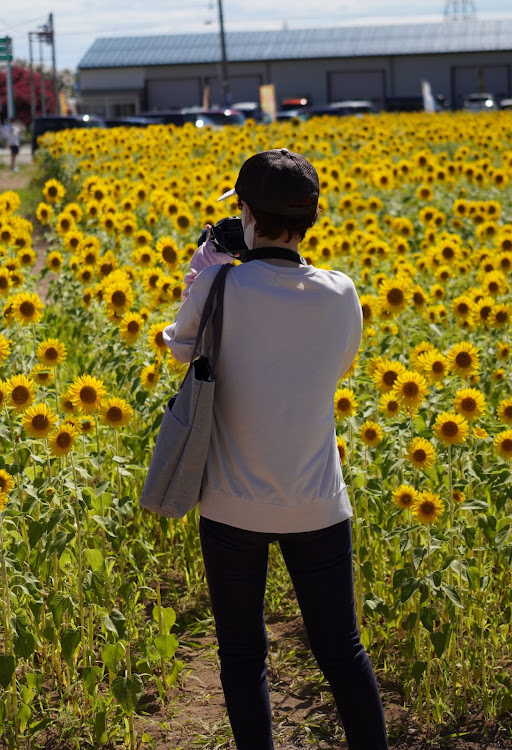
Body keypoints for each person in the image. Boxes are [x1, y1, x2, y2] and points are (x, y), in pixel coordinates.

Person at [163, 148, 388, 750]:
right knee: (341, 648)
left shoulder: (220, 283)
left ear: (245, 212)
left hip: (231, 504)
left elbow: (181, 348)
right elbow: (337, 366)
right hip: (317, 499)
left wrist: (204, 268)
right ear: (311, 216)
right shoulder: (341, 292)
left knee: (242, 652)